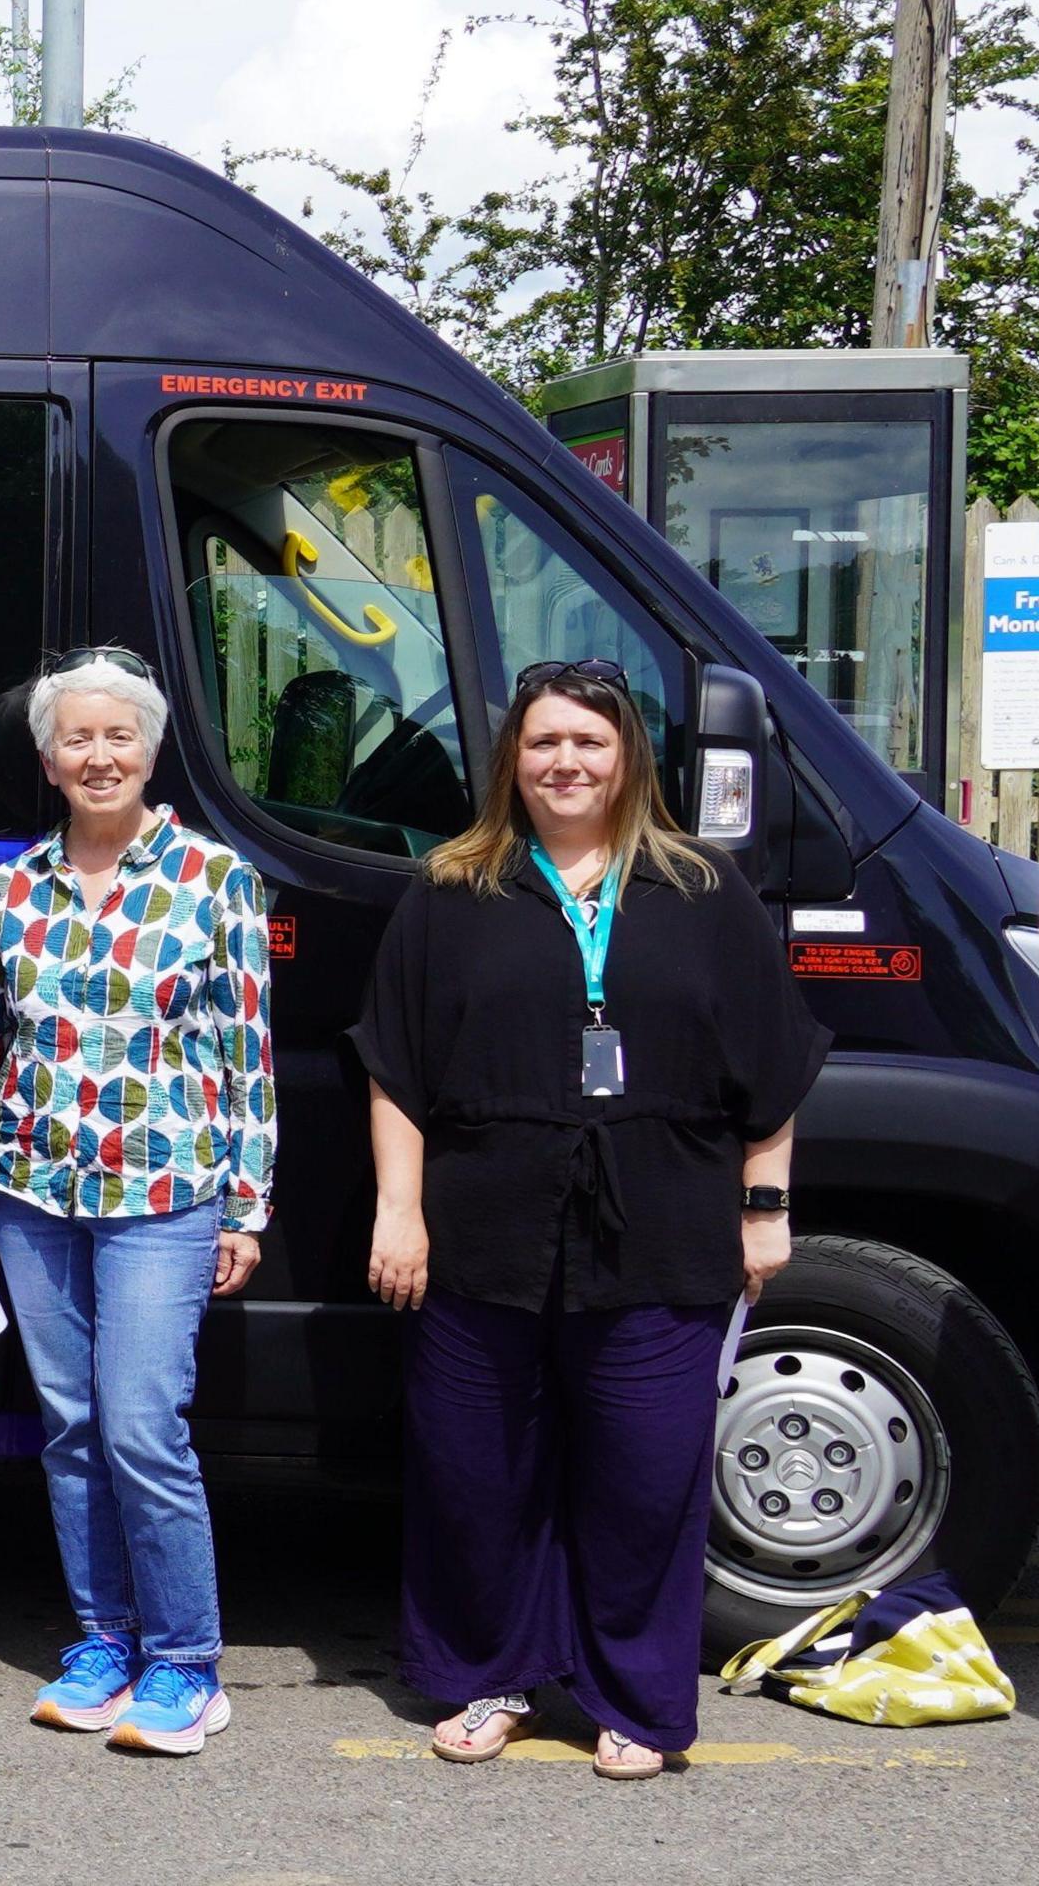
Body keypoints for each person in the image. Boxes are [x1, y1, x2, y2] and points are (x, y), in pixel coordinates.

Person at [353, 658, 825, 1782]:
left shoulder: (705, 892)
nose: (565, 762)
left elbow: (773, 1070)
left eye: (589, 742)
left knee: (644, 1476)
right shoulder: (450, 890)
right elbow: (394, 1071)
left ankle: (632, 1696)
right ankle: (490, 1673)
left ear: (628, 761)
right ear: (512, 759)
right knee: (477, 1472)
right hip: (483, 1231)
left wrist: (765, 1209)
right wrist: (399, 1211)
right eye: (543, 742)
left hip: (664, 1227)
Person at [0, 648, 274, 1757]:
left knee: (145, 1424)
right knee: (71, 1424)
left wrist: (247, 1206)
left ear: (149, 749)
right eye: (77, 739)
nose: (98, 756)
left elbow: (247, 1054)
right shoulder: (9, 888)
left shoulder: (215, 878)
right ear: (48, 760)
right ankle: (105, 1638)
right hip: (32, 1186)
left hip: (165, 1190)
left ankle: (187, 1660)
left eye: (118, 737)